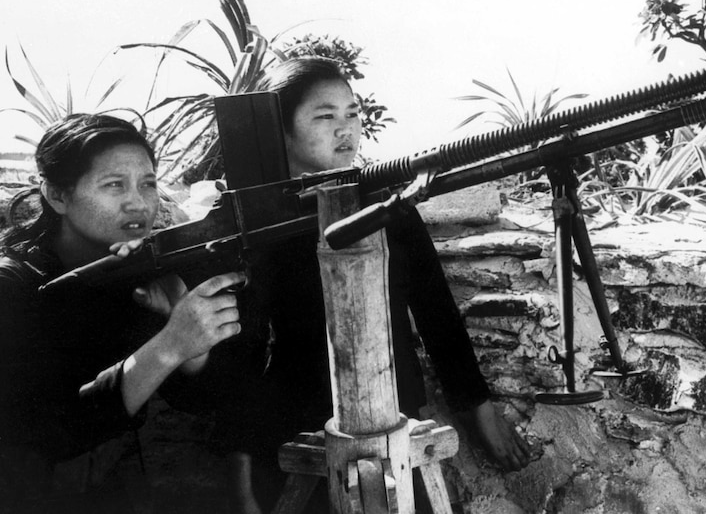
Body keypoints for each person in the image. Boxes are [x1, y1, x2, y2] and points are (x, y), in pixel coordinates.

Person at [218, 58, 530, 512]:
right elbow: (241, 356)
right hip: (296, 435)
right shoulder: (260, 225)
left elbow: (436, 313)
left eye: (353, 113)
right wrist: (241, 481)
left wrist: (479, 410)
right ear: (279, 130)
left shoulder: (386, 205)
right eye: (325, 117)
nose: (345, 129)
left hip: (397, 431)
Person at [0, 113, 245, 512]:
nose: (138, 202)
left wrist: (191, 345)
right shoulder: (12, 288)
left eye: (147, 184)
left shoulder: (130, 271)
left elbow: (198, 402)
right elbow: (48, 433)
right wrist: (168, 346)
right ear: (57, 195)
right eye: (114, 185)